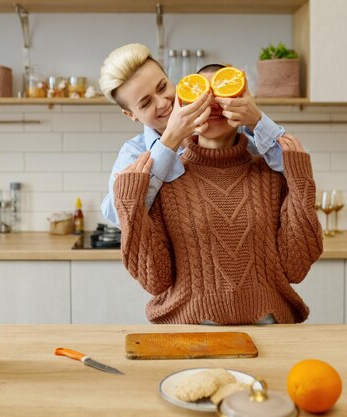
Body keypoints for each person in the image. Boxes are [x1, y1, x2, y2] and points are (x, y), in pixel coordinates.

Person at [112, 64, 323, 325]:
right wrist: (129, 200)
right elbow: (155, 280)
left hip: (271, 330)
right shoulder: (165, 177)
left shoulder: (272, 170)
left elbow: (296, 267)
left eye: (223, 92)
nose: (212, 103)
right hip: (187, 334)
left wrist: (300, 178)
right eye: (202, 94)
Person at [99, 43, 291, 228]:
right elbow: (119, 217)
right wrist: (169, 141)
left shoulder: (229, 129)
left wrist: (257, 120)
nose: (163, 103)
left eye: (162, 87)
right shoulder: (135, 152)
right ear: (131, 115)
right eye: (146, 103)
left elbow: (297, 171)